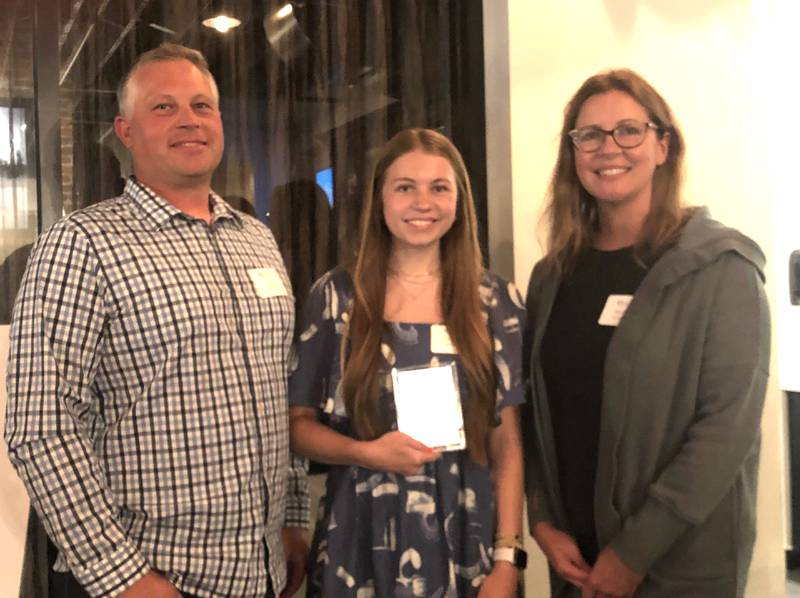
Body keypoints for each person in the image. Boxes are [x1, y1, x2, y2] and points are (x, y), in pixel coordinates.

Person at [4, 42, 309, 598]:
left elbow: (274, 389)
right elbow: (40, 430)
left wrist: (291, 515)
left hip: (261, 572)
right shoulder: (82, 245)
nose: (188, 120)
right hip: (150, 578)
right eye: (163, 107)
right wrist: (126, 579)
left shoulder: (257, 240)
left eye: (202, 105)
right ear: (125, 130)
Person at [522, 68, 770, 598]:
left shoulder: (722, 269)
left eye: (628, 130)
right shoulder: (552, 276)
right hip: (576, 562)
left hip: (678, 564)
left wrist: (632, 554)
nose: (608, 147)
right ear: (573, 155)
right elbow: (539, 410)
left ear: (662, 145)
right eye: (589, 135)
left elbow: (725, 431)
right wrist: (541, 518)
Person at [289, 128, 527, 597]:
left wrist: (507, 557)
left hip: (469, 542)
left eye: (439, 187)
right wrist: (363, 452)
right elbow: (297, 426)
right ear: (380, 200)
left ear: (459, 201)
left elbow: (509, 441)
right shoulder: (336, 297)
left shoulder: (496, 301)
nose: (423, 202)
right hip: (358, 538)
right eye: (405, 187)